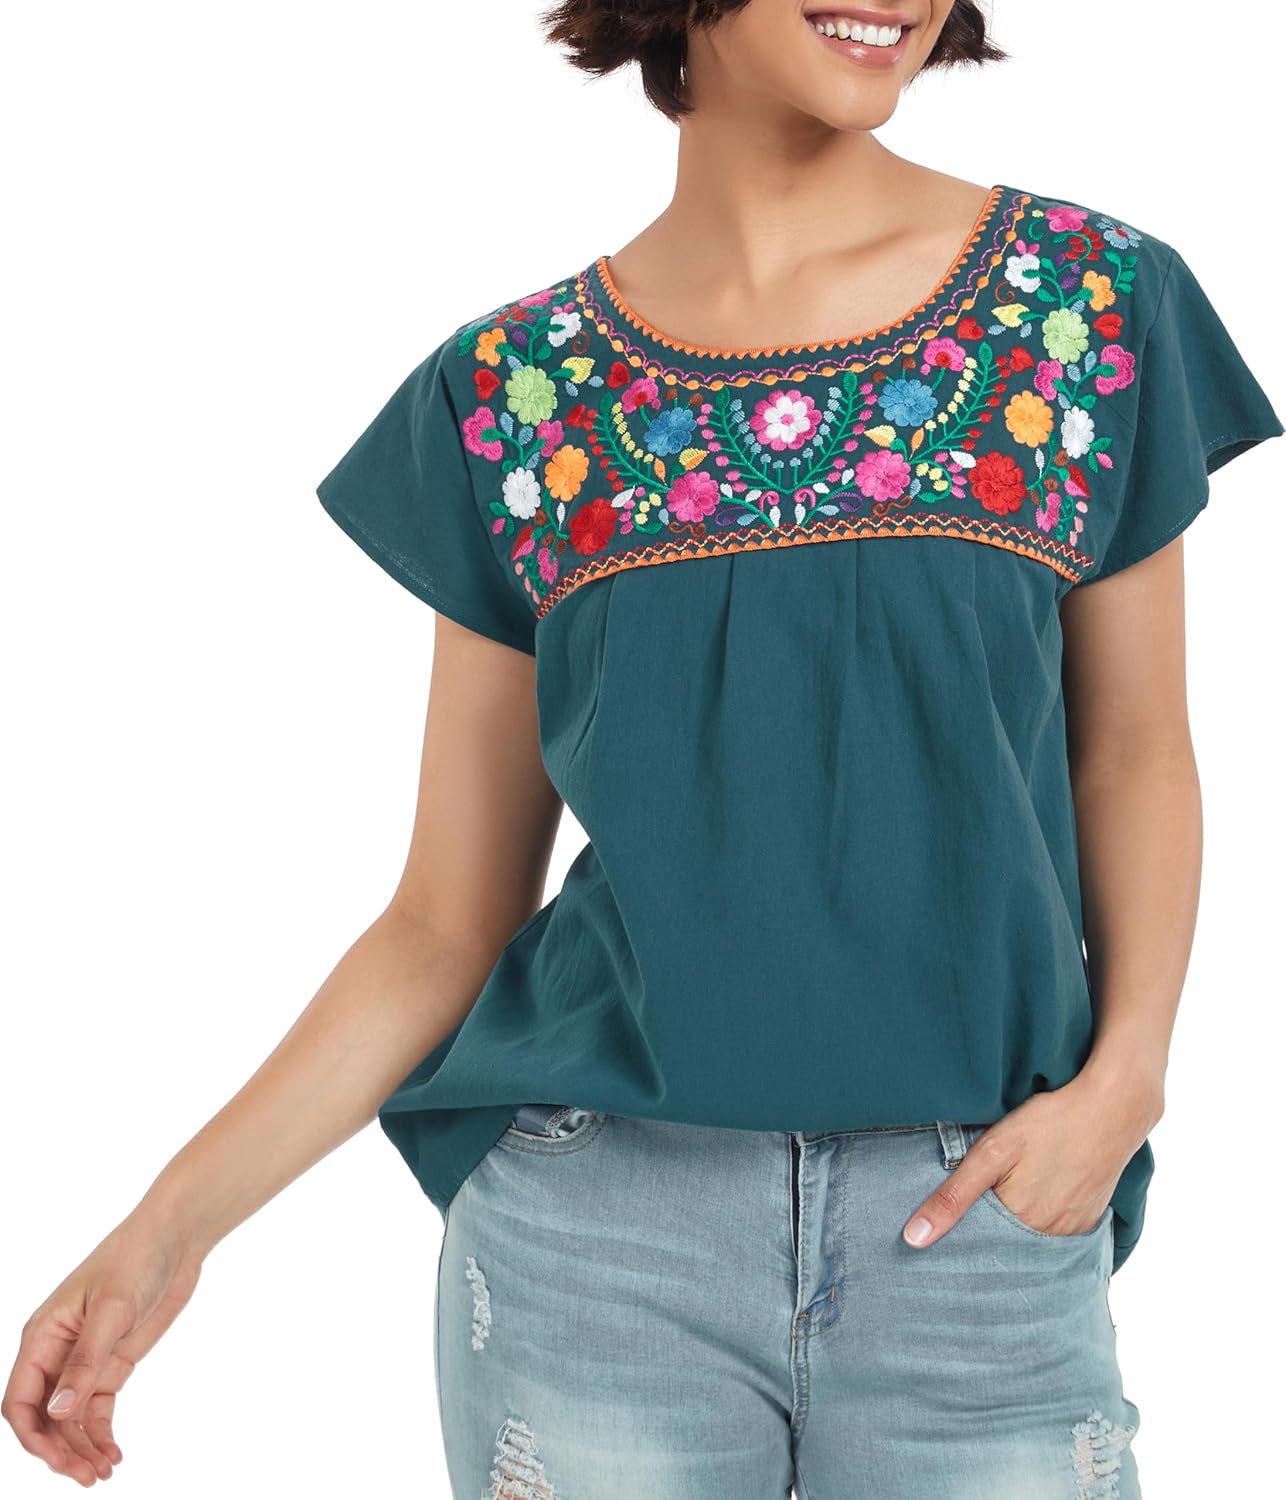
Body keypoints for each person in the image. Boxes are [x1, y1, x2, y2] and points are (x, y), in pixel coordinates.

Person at [5, 2, 1282, 1495]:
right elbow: (445, 918)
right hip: (594, 1248)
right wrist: (168, 1231)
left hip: (984, 1217)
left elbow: (1133, 750)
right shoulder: (516, 389)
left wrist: (1129, 1077)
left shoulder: (1086, 305)